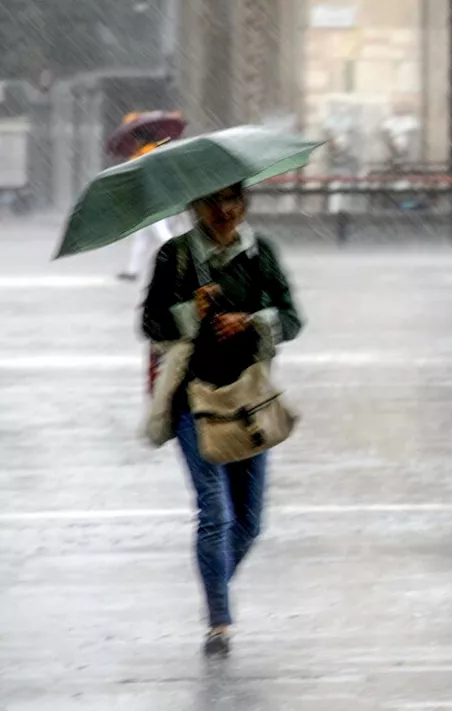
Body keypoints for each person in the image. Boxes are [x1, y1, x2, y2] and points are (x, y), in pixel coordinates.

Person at [142, 182, 303, 656]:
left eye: (233, 200)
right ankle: (219, 622)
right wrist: (190, 310)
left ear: (245, 203)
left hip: (248, 399)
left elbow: (292, 318)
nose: (225, 211)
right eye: (214, 202)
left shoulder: (260, 253)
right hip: (194, 399)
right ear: (196, 206)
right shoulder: (175, 257)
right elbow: (150, 324)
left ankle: (216, 586)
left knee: (249, 522)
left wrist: (253, 320)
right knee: (214, 512)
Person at [118, 133, 187, 282]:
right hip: (157, 201)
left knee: (161, 234)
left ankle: (180, 259)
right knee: (142, 237)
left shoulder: (145, 154)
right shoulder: (157, 152)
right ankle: (133, 270)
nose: (135, 142)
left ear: (142, 140)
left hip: (153, 203)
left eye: (136, 140)